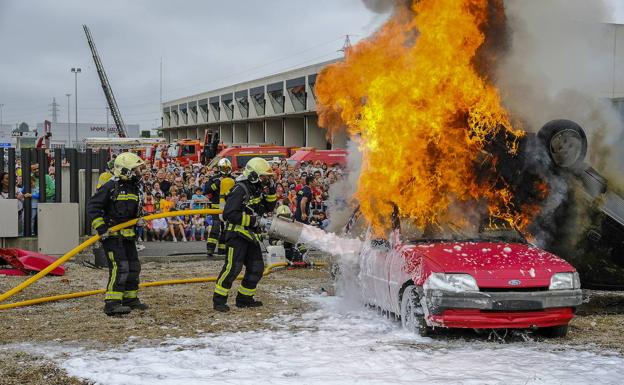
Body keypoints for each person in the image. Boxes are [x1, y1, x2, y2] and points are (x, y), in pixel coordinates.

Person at [87, 152, 149, 316]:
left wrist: (139, 219)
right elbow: (93, 207)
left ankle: (130, 299)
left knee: (134, 267)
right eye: (135, 170)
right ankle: (112, 304)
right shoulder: (110, 187)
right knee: (120, 267)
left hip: (128, 237)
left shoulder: (134, 188)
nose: (138, 173)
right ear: (125, 170)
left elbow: (132, 210)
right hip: (112, 237)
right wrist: (102, 229)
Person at [212, 157, 277, 312]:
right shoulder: (240, 189)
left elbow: (268, 207)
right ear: (253, 175)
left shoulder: (257, 188)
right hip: (237, 236)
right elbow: (229, 214)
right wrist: (253, 221)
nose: (265, 180)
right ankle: (219, 300)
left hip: (251, 236)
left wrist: (272, 189)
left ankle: (244, 299)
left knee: (256, 268)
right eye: (263, 177)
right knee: (232, 268)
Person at [205, 158, 234, 257]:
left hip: (228, 208)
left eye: (227, 168)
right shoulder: (214, 179)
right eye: (224, 168)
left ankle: (222, 249)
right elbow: (207, 190)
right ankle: (210, 248)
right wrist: (218, 183)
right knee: (216, 227)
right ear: (220, 168)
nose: (226, 170)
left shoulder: (233, 180)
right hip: (216, 208)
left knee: (226, 229)